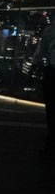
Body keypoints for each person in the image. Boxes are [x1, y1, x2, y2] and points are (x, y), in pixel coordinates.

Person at [38, 22, 55, 154]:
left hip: (52, 71)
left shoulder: (50, 30)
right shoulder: (50, 30)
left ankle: (50, 142)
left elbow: (42, 51)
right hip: (51, 71)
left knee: (51, 110)